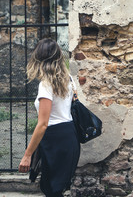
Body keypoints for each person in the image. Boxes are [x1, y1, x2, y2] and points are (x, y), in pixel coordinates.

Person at [18, 38, 80, 197]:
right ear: (59, 57)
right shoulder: (69, 80)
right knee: (53, 188)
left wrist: (27, 155)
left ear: (38, 59)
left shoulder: (46, 85)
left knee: (51, 189)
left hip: (55, 139)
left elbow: (43, 124)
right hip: (69, 135)